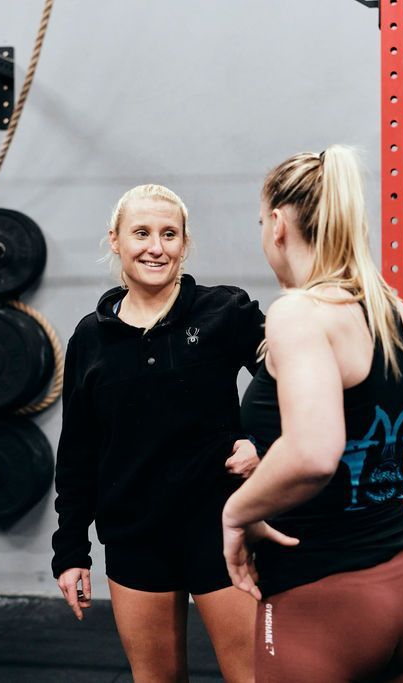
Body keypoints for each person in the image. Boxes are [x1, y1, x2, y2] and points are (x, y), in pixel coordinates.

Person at [222, 145, 403, 682]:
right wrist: (272, 459)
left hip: (322, 603)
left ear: (276, 225)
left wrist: (237, 513)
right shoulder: (397, 315)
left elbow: (315, 455)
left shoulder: (298, 312)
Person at [52, 184, 265, 682]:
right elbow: (79, 451)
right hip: (134, 535)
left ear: (184, 244)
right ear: (115, 240)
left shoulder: (224, 312)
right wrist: (70, 550)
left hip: (220, 528)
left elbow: (294, 379)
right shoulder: (91, 336)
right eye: (142, 233)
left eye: (169, 234)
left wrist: (265, 444)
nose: (156, 247)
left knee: (254, 678)